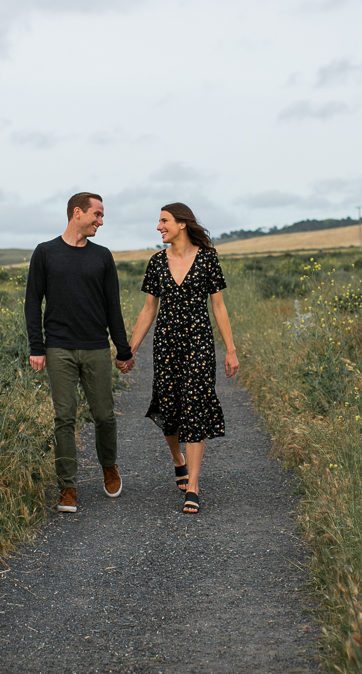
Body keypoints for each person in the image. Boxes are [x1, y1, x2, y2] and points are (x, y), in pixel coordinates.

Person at [125, 203, 238, 514]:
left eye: (164, 221)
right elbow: (149, 309)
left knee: (195, 407)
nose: (159, 227)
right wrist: (131, 348)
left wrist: (230, 349)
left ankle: (194, 486)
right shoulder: (157, 262)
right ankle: (179, 460)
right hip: (166, 345)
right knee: (169, 406)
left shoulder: (207, 259)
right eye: (159, 222)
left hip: (199, 343)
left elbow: (219, 307)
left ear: (182, 224)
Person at [25, 192, 135, 514]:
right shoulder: (45, 253)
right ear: (77, 213)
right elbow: (33, 303)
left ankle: (109, 467)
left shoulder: (102, 257)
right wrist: (36, 347)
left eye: (101, 216)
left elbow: (112, 307)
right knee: (64, 418)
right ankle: (68, 487)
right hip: (58, 348)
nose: (101, 221)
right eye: (97, 215)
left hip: (96, 348)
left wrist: (123, 350)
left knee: (103, 415)